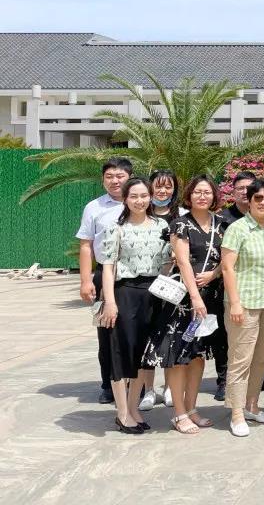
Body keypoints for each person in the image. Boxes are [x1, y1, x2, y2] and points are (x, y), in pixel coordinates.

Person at [142, 175, 225, 434]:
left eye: (207, 192)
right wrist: (196, 296)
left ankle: (192, 408)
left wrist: (214, 274)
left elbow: (231, 257)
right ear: (189, 196)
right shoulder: (180, 224)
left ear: (214, 196)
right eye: (198, 192)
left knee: (198, 357)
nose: (203, 196)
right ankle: (178, 413)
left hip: (210, 298)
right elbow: (183, 261)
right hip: (184, 303)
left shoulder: (222, 224)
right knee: (178, 357)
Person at [98, 178, 172, 434]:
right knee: (121, 353)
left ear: (150, 197)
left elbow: (166, 263)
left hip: (153, 295)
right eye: (134, 196)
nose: (140, 201)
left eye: (144, 196)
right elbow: (108, 267)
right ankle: (121, 413)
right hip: (125, 293)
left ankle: (134, 407)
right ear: (125, 199)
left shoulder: (162, 225)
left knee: (143, 355)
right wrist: (110, 302)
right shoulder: (115, 228)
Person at [220, 178, 264, 437]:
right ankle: (236, 414)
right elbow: (227, 267)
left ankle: (252, 405)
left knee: (260, 359)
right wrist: (234, 302)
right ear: (249, 199)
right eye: (259, 198)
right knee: (240, 360)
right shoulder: (237, 228)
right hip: (243, 303)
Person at [76, 156, 133, 404]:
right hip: (103, 275)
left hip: (137, 277)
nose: (114, 181)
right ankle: (107, 385)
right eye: (109, 176)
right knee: (106, 333)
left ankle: (137, 385)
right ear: (103, 180)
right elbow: (86, 246)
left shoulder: (141, 202)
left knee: (134, 332)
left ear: (129, 177)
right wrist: (86, 281)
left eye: (119, 176)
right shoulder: (94, 207)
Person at [139, 168, 184, 412]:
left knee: (170, 336)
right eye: (159, 186)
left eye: (168, 186)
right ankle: (148, 390)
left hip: (173, 286)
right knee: (146, 337)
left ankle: (169, 387)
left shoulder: (181, 216)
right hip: (146, 285)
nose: (163, 191)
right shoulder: (141, 213)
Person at [210, 171, 255, 400]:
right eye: (240, 188)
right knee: (225, 335)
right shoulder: (223, 219)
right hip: (227, 286)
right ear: (233, 191)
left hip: (255, 286)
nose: (245, 193)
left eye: (250, 188)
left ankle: (254, 376)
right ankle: (224, 378)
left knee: (253, 334)